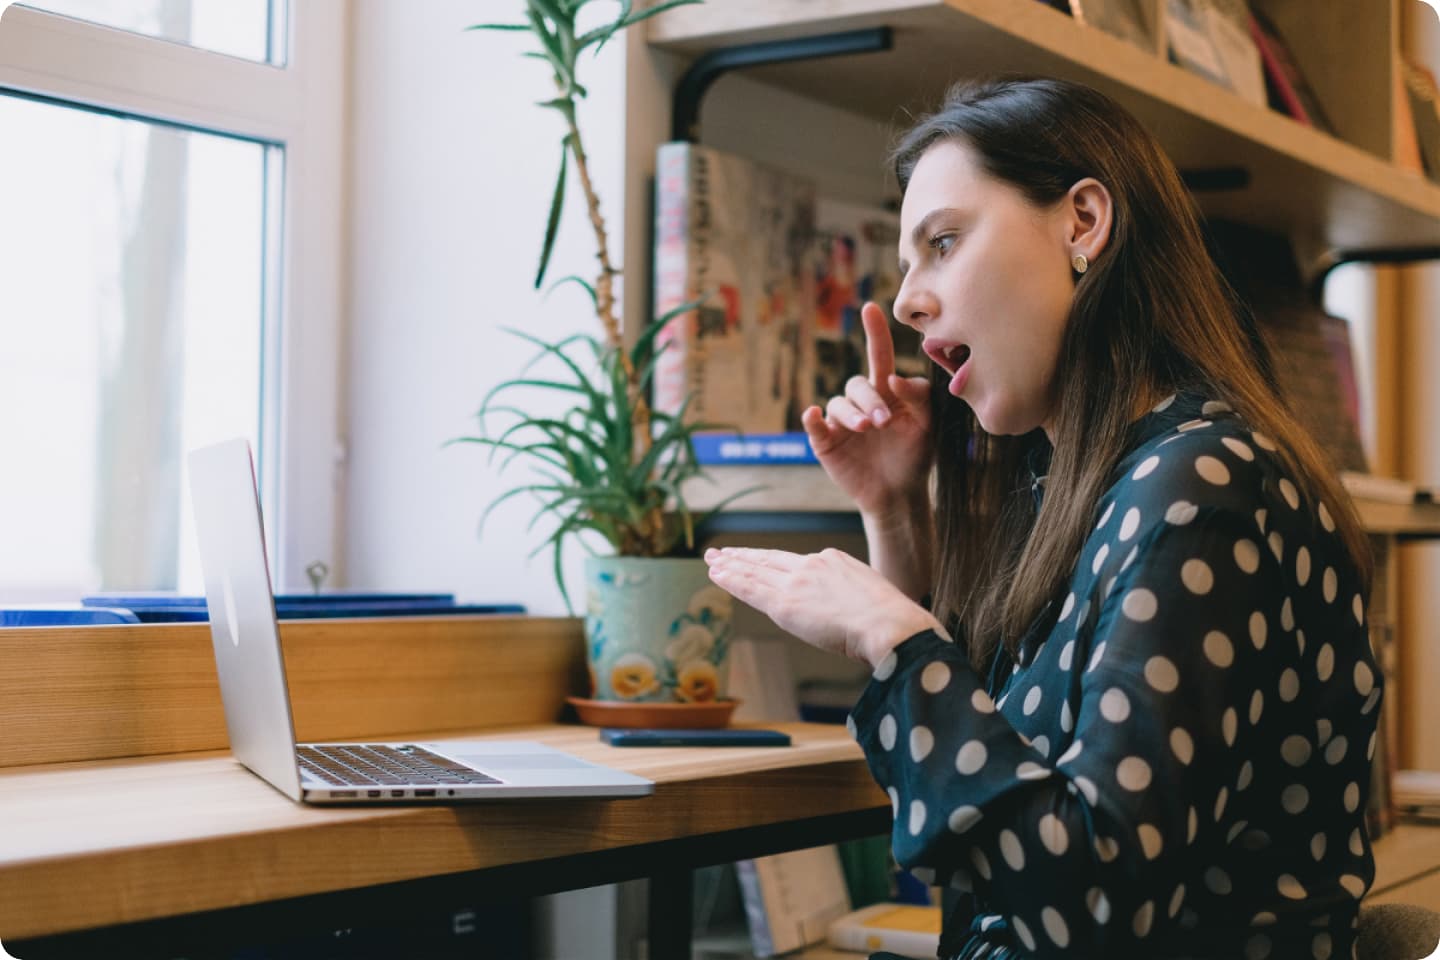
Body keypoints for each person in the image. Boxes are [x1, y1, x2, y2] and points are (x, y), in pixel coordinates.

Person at [703, 76, 1380, 960]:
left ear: (1084, 223)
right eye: (908, 263)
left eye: (943, 242)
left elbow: (1091, 905)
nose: (908, 299)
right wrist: (896, 509)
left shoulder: (1204, 486)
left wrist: (895, 639)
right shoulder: (1089, 484)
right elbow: (987, 797)